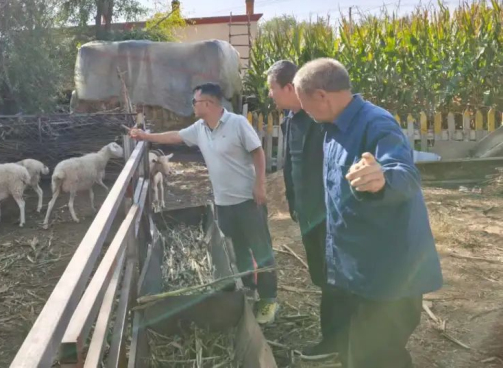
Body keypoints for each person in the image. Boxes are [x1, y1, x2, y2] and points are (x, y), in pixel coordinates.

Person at [293, 58, 443, 368]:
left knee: (377, 357)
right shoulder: (332, 127)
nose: (304, 111)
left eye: (304, 104)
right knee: (358, 353)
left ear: (321, 95)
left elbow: (405, 174)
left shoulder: (377, 124)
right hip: (357, 269)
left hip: (388, 275)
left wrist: (382, 178)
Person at [128, 82, 279, 324]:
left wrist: (260, 184)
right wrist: (145, 136)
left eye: (195, 102)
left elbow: (258, 152)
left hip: (248, 200)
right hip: (223, 202)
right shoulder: (200, 128)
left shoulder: (237, 123)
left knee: (261, 249)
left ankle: (269, 299)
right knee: (235, 248)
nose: (192, 106)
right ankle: (248, 289)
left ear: (208, 104)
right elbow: (175, 136)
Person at [267, 60, 343, 361]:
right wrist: (293, 202)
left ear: (289, 87)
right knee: (322, 277)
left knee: (334, 278)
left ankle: (336, 340)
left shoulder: (321, 120)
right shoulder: (291, 119)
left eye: (272, 88)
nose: (270, 95)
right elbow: (291, 165)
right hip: (308, 213)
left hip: (329, 215)